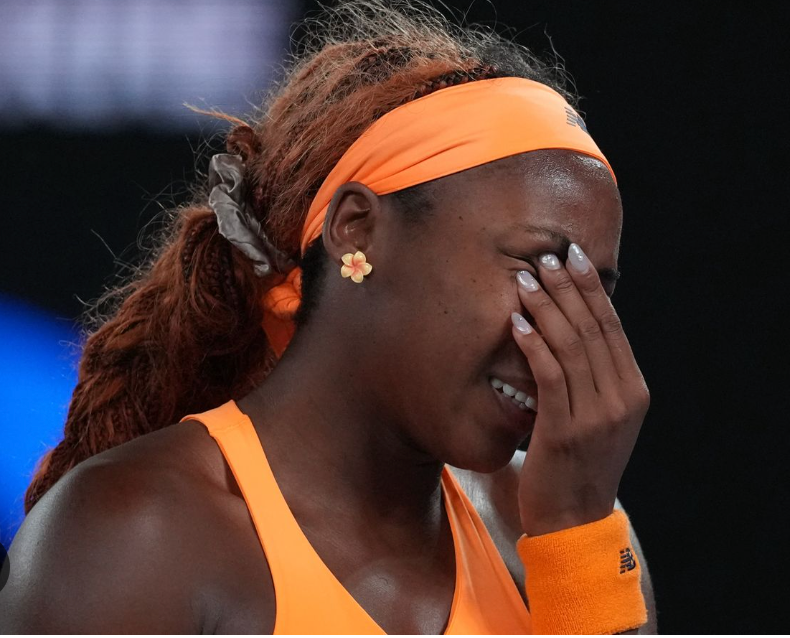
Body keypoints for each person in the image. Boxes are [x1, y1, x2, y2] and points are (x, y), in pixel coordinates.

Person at [0, 0, 657, 633]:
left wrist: (579, 535)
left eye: (592, 290)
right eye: (535, 268)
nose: (569, 332)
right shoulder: (139, 533)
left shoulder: (564, 529)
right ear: (356, 231)